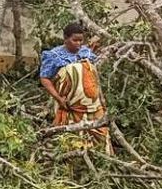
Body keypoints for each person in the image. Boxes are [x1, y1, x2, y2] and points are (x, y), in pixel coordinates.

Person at [39, 23, 112, 153]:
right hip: (70, 106)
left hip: (93, 106)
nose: (78, 43)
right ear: (65, 38)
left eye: (80, 40)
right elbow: (45, 79)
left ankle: (102, 161)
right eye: (75, 40)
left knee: (100, 134)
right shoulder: (54, 56)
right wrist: (58, 98)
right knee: (72, 138)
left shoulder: (86, 52)